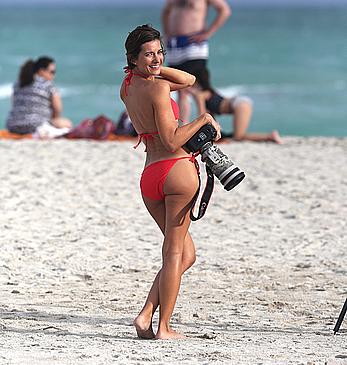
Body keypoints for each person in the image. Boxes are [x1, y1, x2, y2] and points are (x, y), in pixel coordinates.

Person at [120, 24, 221, 340]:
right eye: (148, 54)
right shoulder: (158, 89)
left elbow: (189, 80)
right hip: (176, 171)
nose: (156, 59)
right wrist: (203, 120)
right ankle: (164, 327)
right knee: (174, 254)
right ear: (133, 58)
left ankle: (146, 315)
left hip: (150, 177)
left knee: (184, 254)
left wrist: (155, 67)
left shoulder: (127, 87)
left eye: (159, 52)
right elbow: (172, 136)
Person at [162, 0, 231, 122]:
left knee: (197, 87)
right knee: (180, 89)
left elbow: (224, 10)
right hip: (175, 46)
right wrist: (166, 33)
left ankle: (207, 124)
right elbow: (166, 11)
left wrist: (208, 33)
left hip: (194, 44)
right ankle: (183, 127)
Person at [189, 70, 283, 143]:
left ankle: (270, 136)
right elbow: (210, 117)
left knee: (238, 137)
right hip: (240, 102)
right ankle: (270, 136)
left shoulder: (200, 95)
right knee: (238, 135)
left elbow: (202, 116)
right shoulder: (209, 92)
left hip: (239, 104)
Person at [6, 56, 72, 137]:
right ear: (41, 71)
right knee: (66, 123)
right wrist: (55, 121)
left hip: (12, 126)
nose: (53, 76)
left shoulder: (17, 84)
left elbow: (14, 104)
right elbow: (57, 108)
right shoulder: (48, 85)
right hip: (36, 127)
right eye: (52, 72)